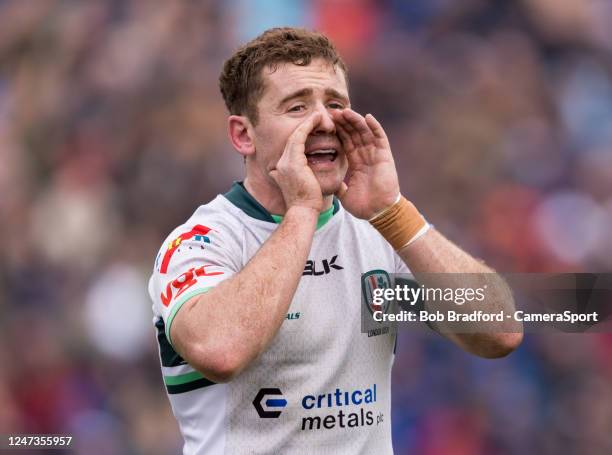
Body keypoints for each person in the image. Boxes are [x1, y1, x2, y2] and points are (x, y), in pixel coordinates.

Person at [148, 27, 522, 454]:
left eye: (336, 103)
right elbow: (222, 350)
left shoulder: (382, 233)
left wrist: (395, 212)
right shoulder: (202, 242)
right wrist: (302, 211)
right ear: (243, 135)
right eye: (297, 106)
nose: (324, 121)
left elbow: (500, 331)